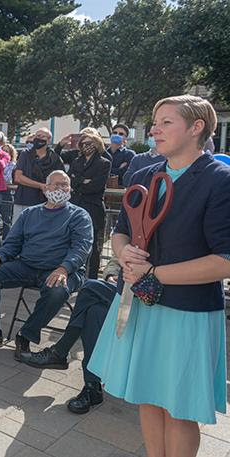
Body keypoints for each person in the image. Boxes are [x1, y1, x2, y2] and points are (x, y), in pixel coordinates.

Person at [88, 95, 230, 457]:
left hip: (186, 310)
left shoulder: (219, 181)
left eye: (166, 121)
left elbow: (225, 261)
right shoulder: (144, 175)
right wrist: (123, 253)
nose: (154, 129)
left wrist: (153, 273)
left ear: (197, 127)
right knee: (147, 397)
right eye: (155, 121)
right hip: (139, 303)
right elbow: (120, 233)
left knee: (179, 410)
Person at [0, 170, 92, 356]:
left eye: (64, 185)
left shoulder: (79, 216)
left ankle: (26, 334)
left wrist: (64, 268)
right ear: (46, 188)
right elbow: (13, 242)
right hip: (27, 266)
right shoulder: (30, 213)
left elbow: (81, 247)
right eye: (55, 184)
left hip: (62, 269)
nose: (60, 188)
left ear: (70, 189)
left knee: (56, 291)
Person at [24, 255, 121, 414]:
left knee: (89, 287)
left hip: (152, 302)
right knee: (94, 311)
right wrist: (111, 276)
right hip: (121, 292)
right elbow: (115, 261)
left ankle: (60, 351)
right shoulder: (132, 232)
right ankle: (92, 388)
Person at [68, 132, 112, 279]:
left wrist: (78, 182)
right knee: (73, 243)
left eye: (90, 143)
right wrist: (83, 180)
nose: (86, 146)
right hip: (75, 207)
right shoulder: (76, 161)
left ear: (97, 144)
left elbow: (96, 187)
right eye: (84, 143)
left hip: (93, 209)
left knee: (93, 248)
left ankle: (91, 279)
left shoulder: (104, 163)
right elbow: (70, 181)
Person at [13, 127, 64, 221]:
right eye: (37, 136)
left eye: (42, 136)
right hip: (24, 200)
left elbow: (61, 179)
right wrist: (40, 185)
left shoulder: (54, 158)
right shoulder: (25, 154)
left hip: (45, 202)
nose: (38, 138)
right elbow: (18, 177)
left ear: (49, 140)